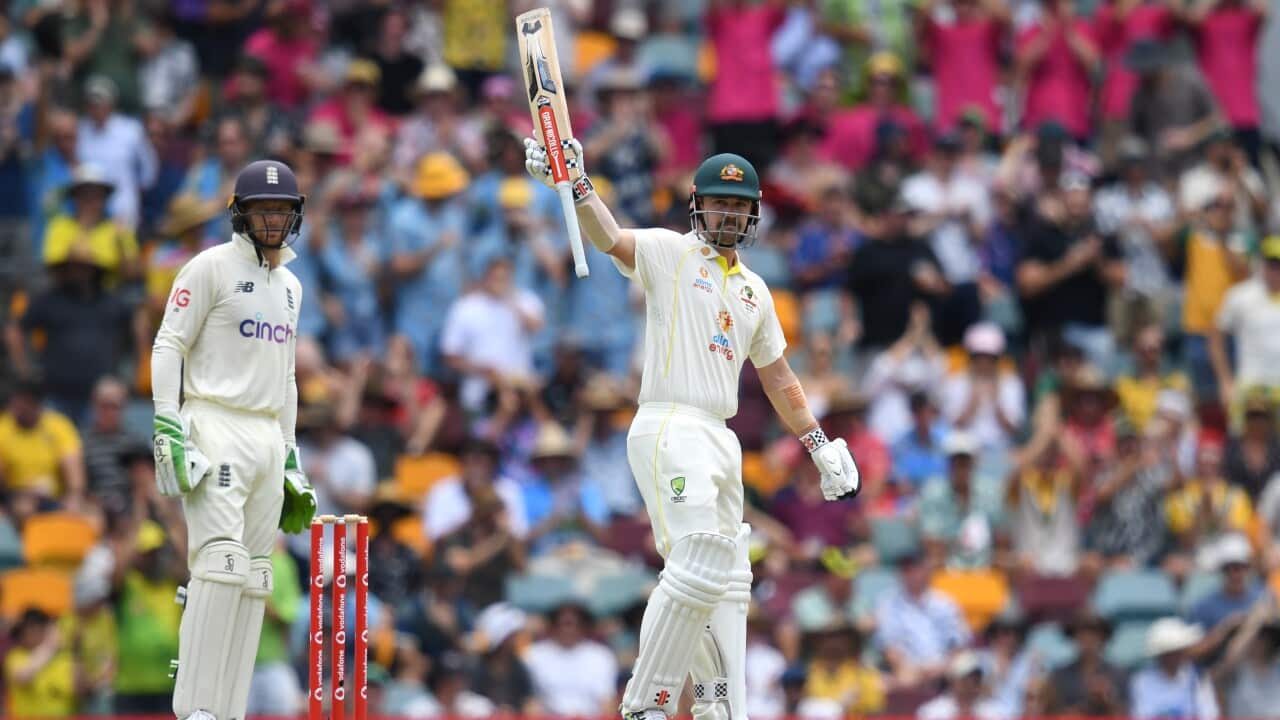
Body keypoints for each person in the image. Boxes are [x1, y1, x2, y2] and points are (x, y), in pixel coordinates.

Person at [524, 138, 860, 720]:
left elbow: (779, 378)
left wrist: (818, 443)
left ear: (753, 214)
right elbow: (609, 236)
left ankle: (719, 710)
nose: (728, 214)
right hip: (669, 423)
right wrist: (577, 184)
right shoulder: (670, 253)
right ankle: (647, 703)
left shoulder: (755, 291)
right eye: (719, 202)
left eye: (739, 205)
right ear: (697, 205)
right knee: (698, 555)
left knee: (728, 577)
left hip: (720, 436)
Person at [150, 159, 317, 720]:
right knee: (220, 562)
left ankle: (227, 710)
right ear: (239, 214)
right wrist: (167, 423)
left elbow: (287, 377)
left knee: (256, 575)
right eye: (262, 210)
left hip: (267, 433)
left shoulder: (291, 287)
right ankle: (194, 707)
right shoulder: (209, 268)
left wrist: (290, 454)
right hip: (215, 420)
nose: (272, 220)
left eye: (281, 210)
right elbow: (169, 344)